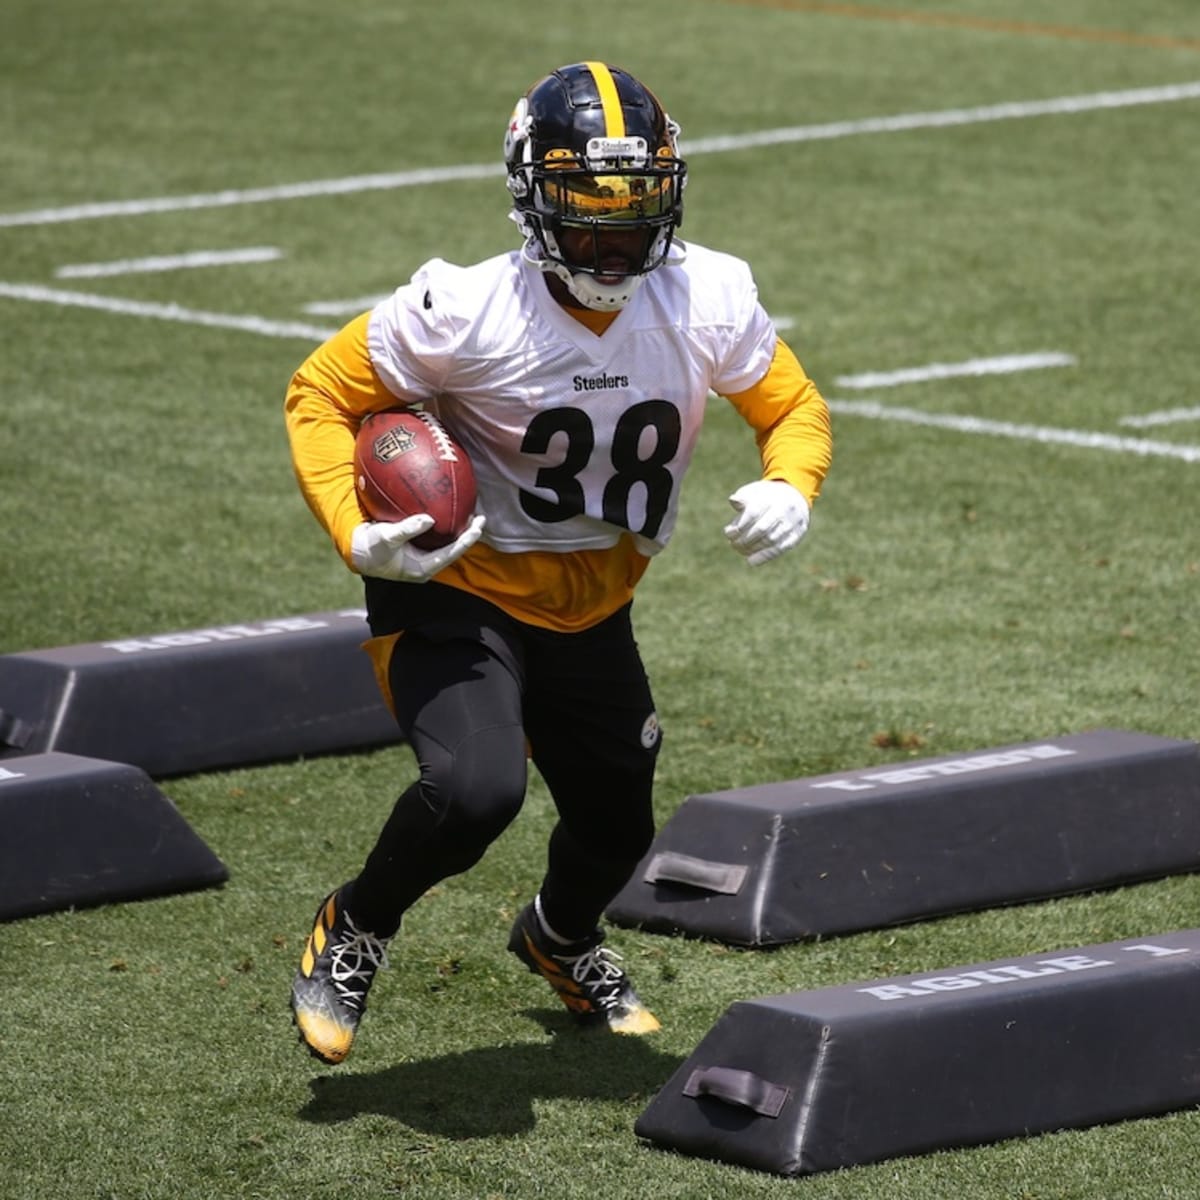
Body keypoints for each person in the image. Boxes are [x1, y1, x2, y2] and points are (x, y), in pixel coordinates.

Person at [283, 61, 832, 1065]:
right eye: (586, 215)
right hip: (459, 582)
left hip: (592, 601)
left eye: (635, 214)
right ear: (533, 202)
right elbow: (320, 394)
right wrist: (352, 531)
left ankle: (559, 937)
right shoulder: (464, 309)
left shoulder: (709, 293)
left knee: (620, 826)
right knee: (476, 791)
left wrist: (793, 483)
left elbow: (791, 406)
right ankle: (355, 925)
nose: (613, 243)